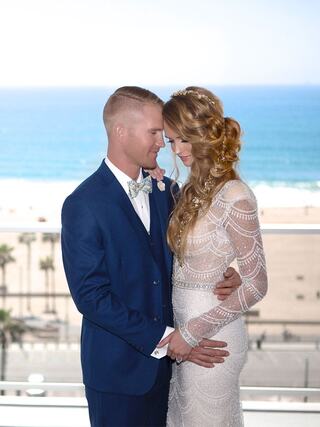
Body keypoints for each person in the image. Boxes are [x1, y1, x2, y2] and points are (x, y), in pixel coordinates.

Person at [61, 86, 241, 427]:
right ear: (121, 131)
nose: (163, 143)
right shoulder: (82, 204)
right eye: (155, 132)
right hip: (118, 376)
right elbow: (91, 298)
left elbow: (189, 255)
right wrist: (168, 339)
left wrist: (228, 272)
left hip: (173, 371)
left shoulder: (167, 191)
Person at [158, 87, 268, 426]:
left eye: (185, 140)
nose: (177, 151)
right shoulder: (190, 189)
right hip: (182, 340)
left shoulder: (235, 195)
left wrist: (191, 333)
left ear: (205, 134)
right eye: (171, 141)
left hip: (212, 341)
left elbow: (257, 284)